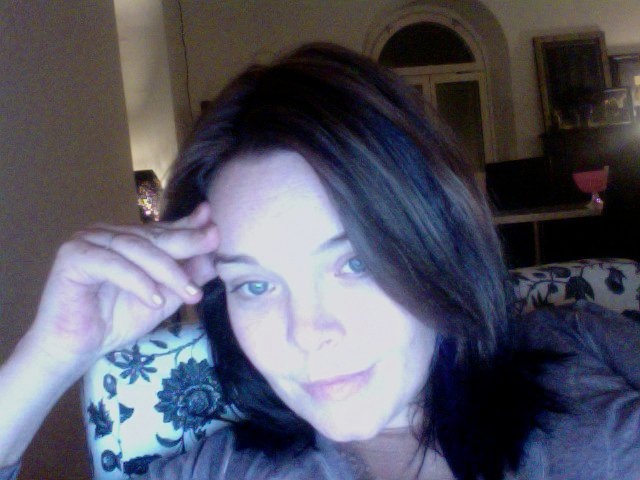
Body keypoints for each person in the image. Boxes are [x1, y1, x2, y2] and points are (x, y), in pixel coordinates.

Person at [0, 43, 639, 480]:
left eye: (355, 264)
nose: (306, 333)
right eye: (254, 285)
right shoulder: (225, 470)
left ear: (436, 242)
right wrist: (50, 354)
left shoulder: (586, 354)